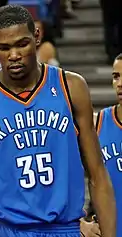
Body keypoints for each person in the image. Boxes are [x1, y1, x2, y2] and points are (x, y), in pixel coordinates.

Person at [0, 4, 116, 237]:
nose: (13, 55)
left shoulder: (71, 87)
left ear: (37, 36)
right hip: (3, 229)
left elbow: (98, 175)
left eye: (22, 44)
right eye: (4, 47)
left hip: (64, 227)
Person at [85, 53, 122, 237]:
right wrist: (81, 223)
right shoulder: (97, 124)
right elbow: (64, 178)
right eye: (116, 76)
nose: (120, 83)